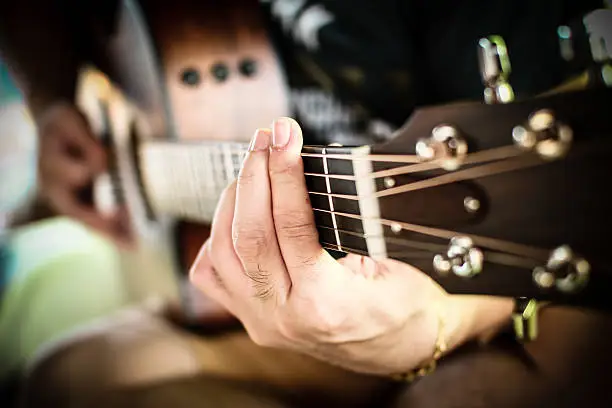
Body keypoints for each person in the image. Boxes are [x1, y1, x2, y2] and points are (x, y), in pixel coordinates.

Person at [1, 1, 610, 407]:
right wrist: (51, 98)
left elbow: (533, 212)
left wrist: (432, 328)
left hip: (432, 286)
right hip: (222, 279)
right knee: (67, 376)